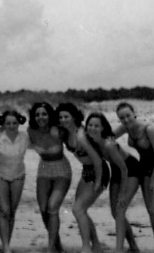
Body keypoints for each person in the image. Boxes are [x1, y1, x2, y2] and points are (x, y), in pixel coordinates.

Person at [114, 102, 154, 253]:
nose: (126, 120)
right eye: (122, 118)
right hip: (143, 165)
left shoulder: (148, 129)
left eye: (128, 116)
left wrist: (153, 178)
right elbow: (109, 136)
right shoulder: (125, 127)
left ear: (134, 114)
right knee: (150, 210)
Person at [55, 103, 110, 253]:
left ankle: (86, 247)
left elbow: (98, 160)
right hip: (86, 171)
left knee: (78, 209)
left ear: (74, 117)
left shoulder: (81, 135)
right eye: (60, 117)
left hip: (99, 171)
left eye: (66, 116)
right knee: (80, 210)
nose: (63, 119)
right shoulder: (66, 133)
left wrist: (99, 182)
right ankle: (96, 245)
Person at [85, 112, 140, 253]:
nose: (92, 128)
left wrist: (122, 193)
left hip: (130, 169)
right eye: (90, 125)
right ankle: (133, 247)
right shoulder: (92, 141)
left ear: (103, 128)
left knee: (120, 209)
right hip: (116, 171)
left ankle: (119, 248)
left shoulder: (109, 144)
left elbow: (124, 169)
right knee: (115, 213)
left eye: (96, 125)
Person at [27, 102, 72, 253]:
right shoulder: (31, 131)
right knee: (43, 209)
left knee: (53, 206)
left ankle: (51, 248)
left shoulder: (58, 131)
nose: (41, 117)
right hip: (44, 169)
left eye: (44, 114)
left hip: (62, 170)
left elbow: (75, 134)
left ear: (50, 115)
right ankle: (57, 245)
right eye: (38, 114)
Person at [0, 109, 30, 253]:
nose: (12, 126)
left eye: (14, 122)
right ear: (3, 124)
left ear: (19, 123)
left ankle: (6, 243)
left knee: (12, 212)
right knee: (4, 211)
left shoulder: (25, 137)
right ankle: (6, 247)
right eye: (8, 123)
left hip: (18, 176)